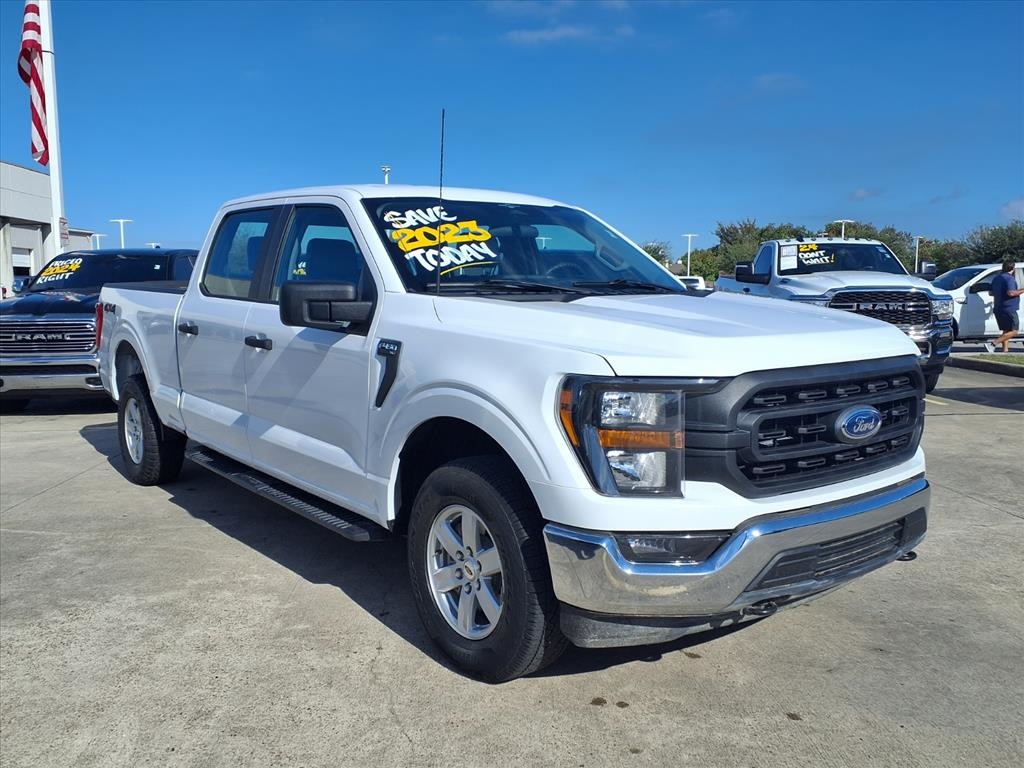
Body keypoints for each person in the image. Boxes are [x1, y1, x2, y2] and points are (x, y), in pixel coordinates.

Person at [985, 259, 1023, 353]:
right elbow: (1011, 293)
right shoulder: (1009, 278)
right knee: (1014, 331)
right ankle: (993, 344)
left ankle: (1005, 351)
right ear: (1013, 268)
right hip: (1009, 308)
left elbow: (991, 293)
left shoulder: (997, 278)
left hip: (998, 307)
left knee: (1006, 330)